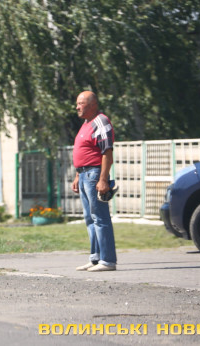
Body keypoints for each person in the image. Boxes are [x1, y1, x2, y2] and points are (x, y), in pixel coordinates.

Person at [71, 91, 117, 272]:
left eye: (81, 103)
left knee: (100, 218)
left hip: (94, 174)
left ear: (92, 105)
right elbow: (84, 151)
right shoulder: (86, 124)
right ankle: (96, 258)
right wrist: (77, 176)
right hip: (84, 174)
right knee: (90, 219)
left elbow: (107, 153)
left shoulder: (101, 122)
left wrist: (103, 179)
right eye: (77, 103)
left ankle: (108, 260)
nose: (77, 107)